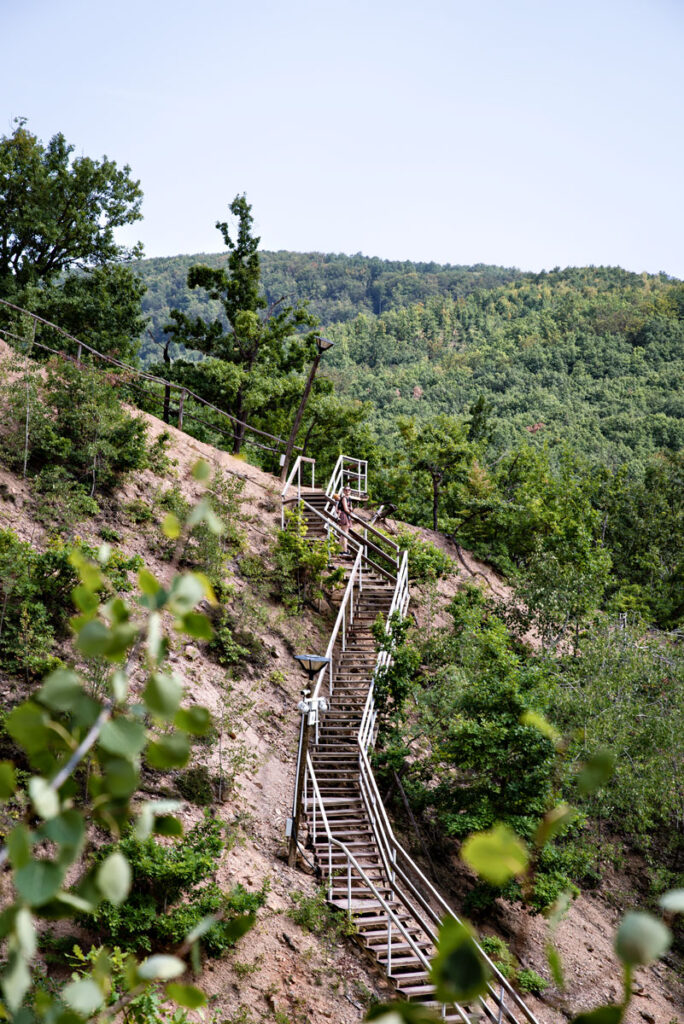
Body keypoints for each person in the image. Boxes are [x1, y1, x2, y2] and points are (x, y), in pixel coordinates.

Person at [338, 485, 353, 556]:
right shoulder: (344, 498)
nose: (347, 491)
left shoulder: (349, 498)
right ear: (344, 491)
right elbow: (346, 509)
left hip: (346, 515)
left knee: (343, 534)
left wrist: (350, 510)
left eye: (349, 490)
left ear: (350, 491)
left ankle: (341, 550)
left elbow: (351, 508)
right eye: (346, 490)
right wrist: (351, 514)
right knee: (345, 534)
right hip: (344, 515)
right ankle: (345, 550)